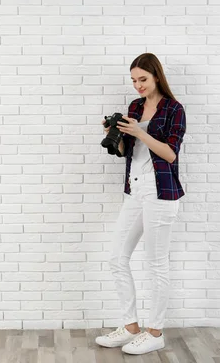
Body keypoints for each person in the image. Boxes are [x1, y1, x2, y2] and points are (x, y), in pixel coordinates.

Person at [95, 53, 186, 355]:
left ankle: (155, 332)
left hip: (161, 191)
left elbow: (170, 154)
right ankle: (131, 326)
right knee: (116, 257)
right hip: (135, 189)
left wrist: (141, 131)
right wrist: (116, 135)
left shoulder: (174, 109)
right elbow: (126, 152)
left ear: (156, 76)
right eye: (133, 80)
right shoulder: (135, 107)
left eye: (142, 79)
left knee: (156, 263)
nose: (137, 86)